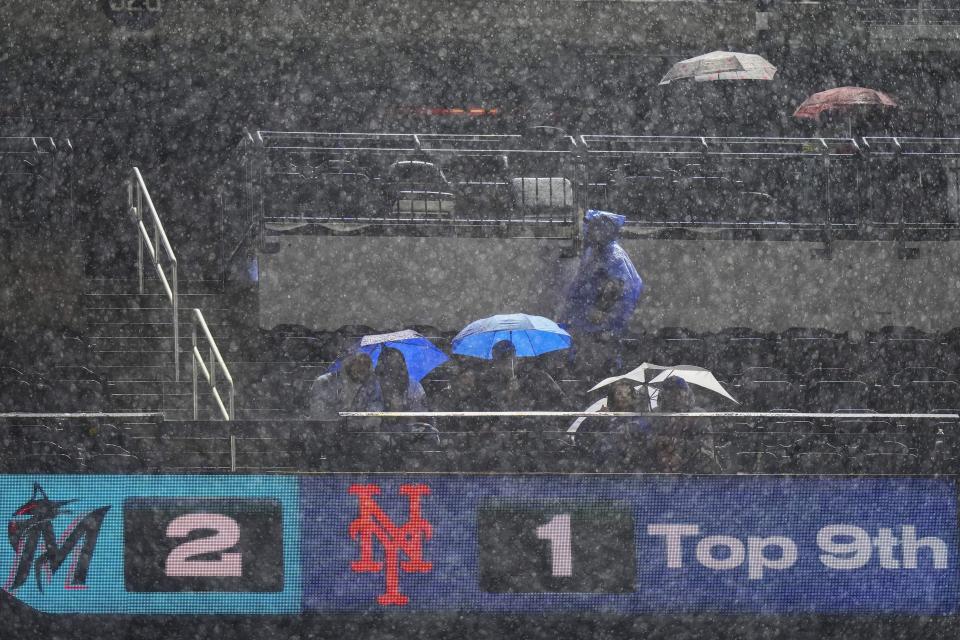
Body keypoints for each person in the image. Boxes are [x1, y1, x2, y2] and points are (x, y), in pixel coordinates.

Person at [561, 209, 643, 377]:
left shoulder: (613, 255)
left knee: (600, 354)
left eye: (592, 228)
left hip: (600, 318)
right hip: (586, 313)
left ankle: (598, 376)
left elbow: (618, 285)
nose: (588, 231)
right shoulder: (596, 251)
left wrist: (601, 310)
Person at [478, 340, 568, 412]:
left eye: (507, 359)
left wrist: (518, 395)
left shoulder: (538, 377)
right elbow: (492, 412)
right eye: (497, 362)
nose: (498, 366)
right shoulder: (492, 381)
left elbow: (562, 403)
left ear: (514, 357)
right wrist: (509, 394)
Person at [308, 351, 383, 423]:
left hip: (359, 431)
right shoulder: (326, 381)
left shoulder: (372, 385)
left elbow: (376, 405)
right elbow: (318, 411)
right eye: (359, 362)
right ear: (350, 363)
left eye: (366, 363)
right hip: (328, 430)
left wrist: (365, 419)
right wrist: (343, 417)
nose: (362, 366)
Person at [376, 346, 428, 412]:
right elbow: (371, 415)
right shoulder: (376, 388)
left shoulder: (415, 387)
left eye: (398, 363)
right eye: (388, 365)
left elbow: (421, 414)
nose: (393, 368)